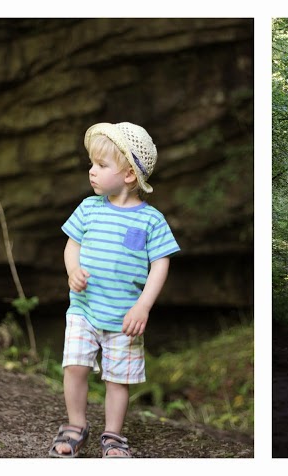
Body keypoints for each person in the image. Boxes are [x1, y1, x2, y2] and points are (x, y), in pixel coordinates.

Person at [48, 122, 180, 458]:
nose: (92, 172)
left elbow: (160, 265)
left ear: (129, 176)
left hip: (125, 315)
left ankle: (113, 435)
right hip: (85, 308)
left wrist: (143, 307)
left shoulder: (151, 220)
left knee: (116, 378)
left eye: (101, 166)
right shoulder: (88, 208)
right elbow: (71, 245)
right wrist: (73, 270)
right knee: (75, 366)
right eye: (92, 164)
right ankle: (76, 425)